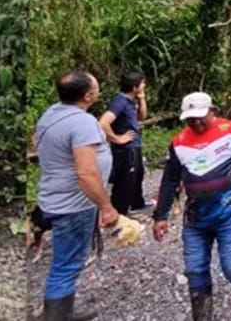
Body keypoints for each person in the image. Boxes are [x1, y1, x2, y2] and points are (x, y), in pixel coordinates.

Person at [152, 92, 231, 321]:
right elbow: (170, 180)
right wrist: (161, 216)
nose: (196, 123)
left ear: (212, 111)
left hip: (230, 213)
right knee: (195, 271)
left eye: (200, 117)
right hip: (196, 218)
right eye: (191, 119)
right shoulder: (178, 143)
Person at [35, 71, 120, 321]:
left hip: (55, 197)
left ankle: (62, 312)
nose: (99, 91)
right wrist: (106, 207)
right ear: (88, 96)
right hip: (74, 205)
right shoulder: (82, 123)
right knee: (67, 265)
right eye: (97, 88)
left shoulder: (51, 114)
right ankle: (57, 316)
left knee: (64, 262)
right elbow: (86, 173)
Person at [99, 71, 149, 214]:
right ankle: (118, 212)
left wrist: (142, 99)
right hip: (125, 149)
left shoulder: (129, 101)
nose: (144, 86)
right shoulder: (119, 102)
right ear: (134, 87)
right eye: (142, 84)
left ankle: (137, 203)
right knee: (125, 181)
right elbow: (103, 123)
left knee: (137, 176)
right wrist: (117, 138)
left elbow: (142, 116)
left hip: (134, 146)